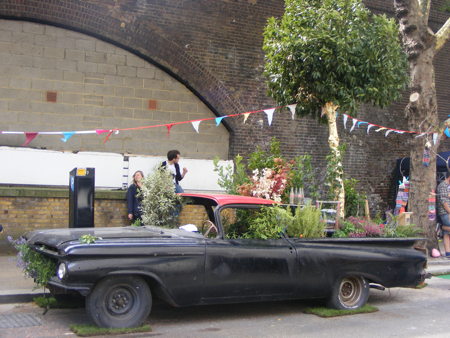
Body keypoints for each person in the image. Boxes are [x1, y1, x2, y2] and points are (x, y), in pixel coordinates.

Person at [437, 173, 450, 257]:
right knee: (446, 230)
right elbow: (444, 202)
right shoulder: (443, 186)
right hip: (446, 212)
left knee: (447, 233)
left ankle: (448, 253)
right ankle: (441, 227)